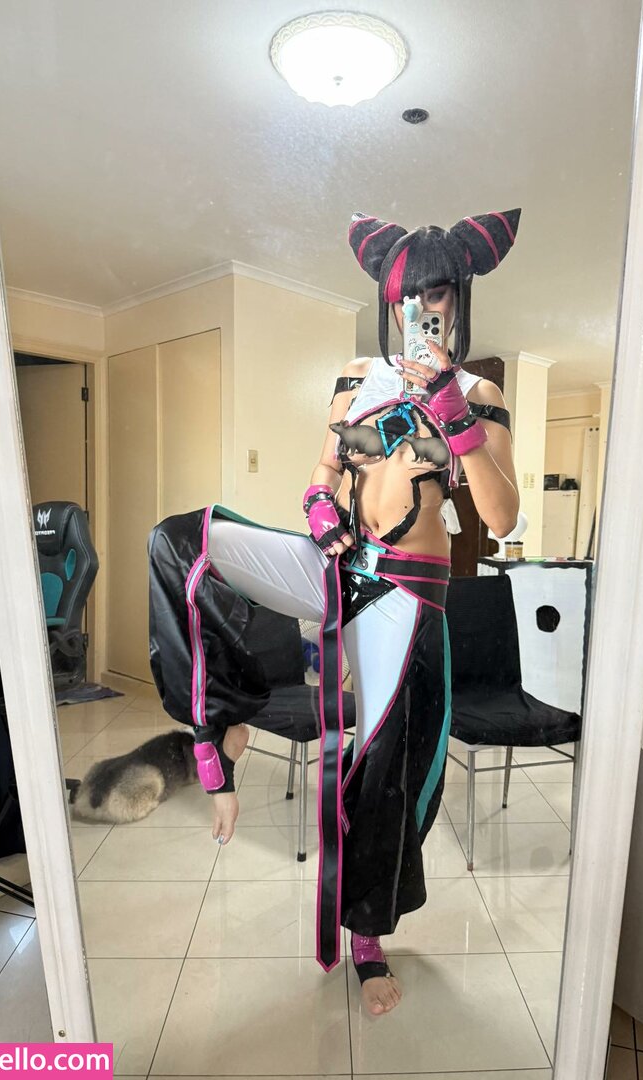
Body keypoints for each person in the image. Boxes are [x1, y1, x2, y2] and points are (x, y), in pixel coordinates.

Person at [147, 209, 521, 1017]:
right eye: (407, 295)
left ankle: (367, 938)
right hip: (335, 566)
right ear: (386, 299)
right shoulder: (353, 377)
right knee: (181, 542)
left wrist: (452, 411)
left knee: (379, 769)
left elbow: (500, 517)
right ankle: (224, 719)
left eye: (436, 294)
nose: (421, 308)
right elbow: (320, 474)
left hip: (407, 593)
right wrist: (318, 507)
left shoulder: (479, 392)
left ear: (457, 299)